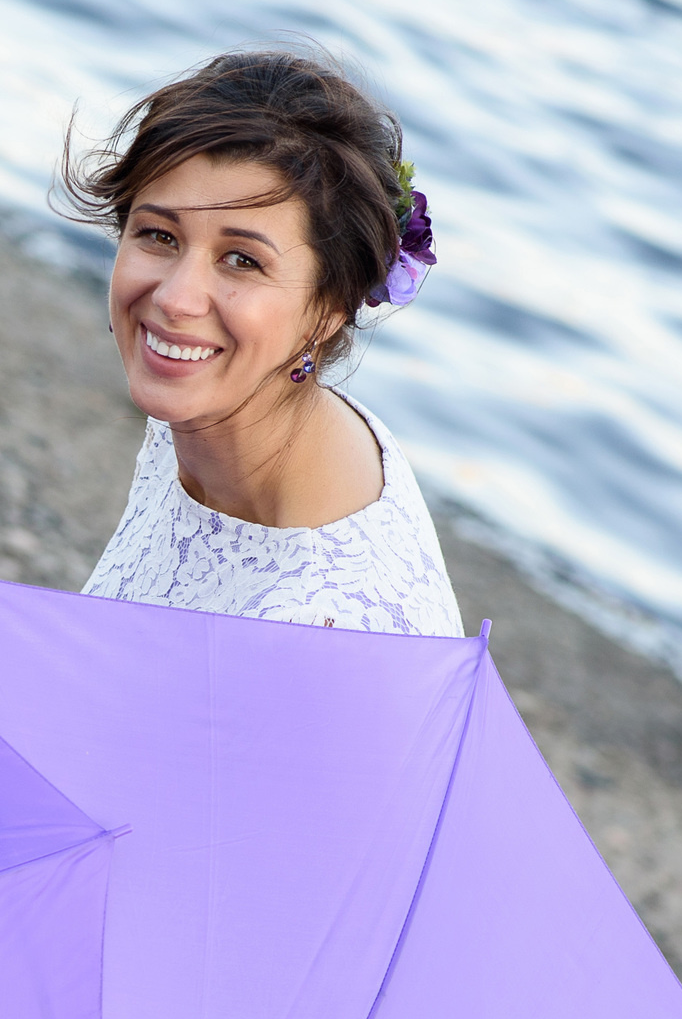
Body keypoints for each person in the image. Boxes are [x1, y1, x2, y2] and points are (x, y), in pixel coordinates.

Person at [66, 49, 464, 636]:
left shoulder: (319, 627)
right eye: (158, 234)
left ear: (328, 308)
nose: (177, 298)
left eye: (241, 260)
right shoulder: (210, 412)